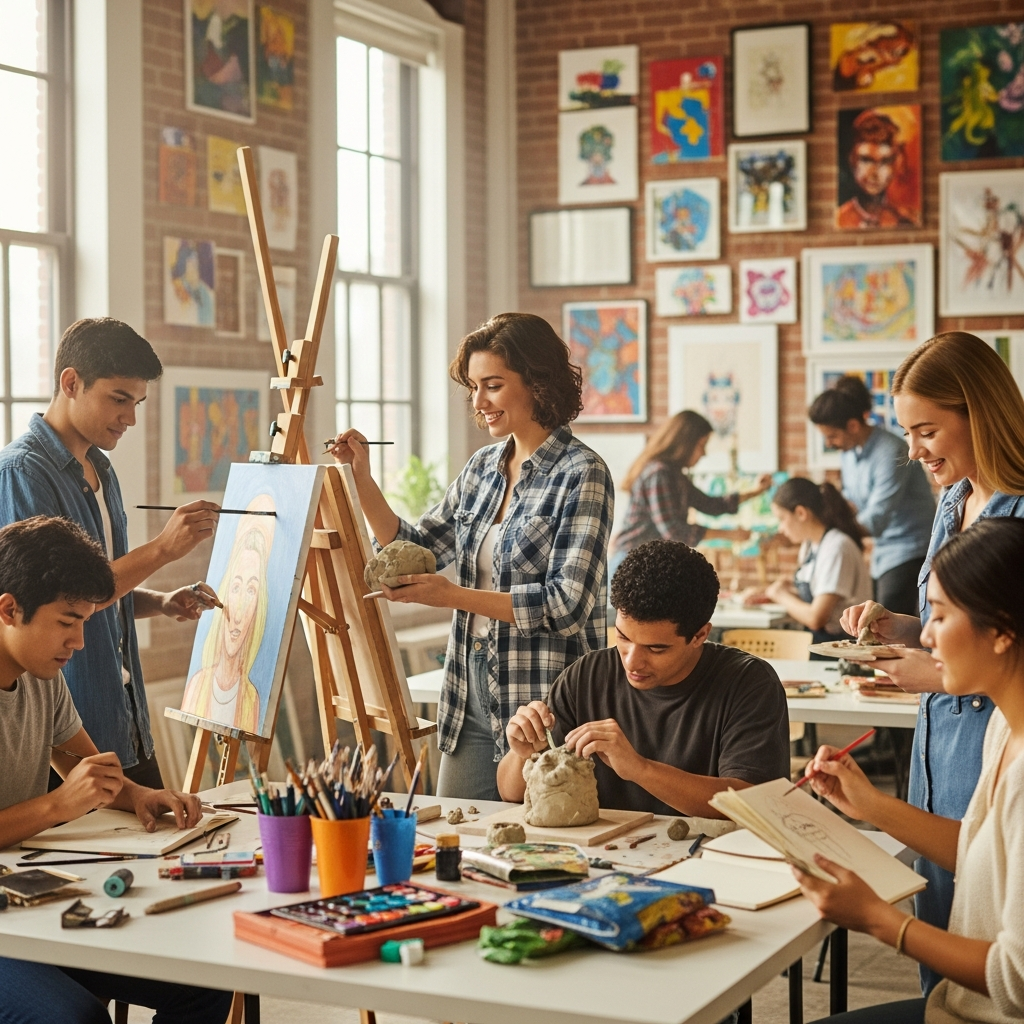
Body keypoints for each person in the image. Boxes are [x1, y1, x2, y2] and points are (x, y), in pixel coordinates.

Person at [328, 313, 613, 801]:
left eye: (493, 386)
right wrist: (362, 480)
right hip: (467, 684)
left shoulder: (582, 472)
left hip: (543, 694)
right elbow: (420, 547)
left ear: (538, 383)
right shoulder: (482, 467)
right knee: (456, 839)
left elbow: (569, 605)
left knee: (539, 845)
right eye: (474, 388)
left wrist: (455, 596)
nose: (479, 403)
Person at [843, 331, 1024, 994]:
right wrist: (901, 627)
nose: (912, 451)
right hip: (935, 749)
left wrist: (938, 672)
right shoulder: (954, 500)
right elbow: (956, 619)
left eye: (926, 431)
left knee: (994, 953)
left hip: (994, 749)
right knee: (941, 944)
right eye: (905, 431)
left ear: (979, 413)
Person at [0, 516, 233, 1024]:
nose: (79, 642)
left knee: (208, 980)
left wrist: (137, 794)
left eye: (85, 621)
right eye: (66, 622)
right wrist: (57, 806)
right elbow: (65, 794)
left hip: (27, 895)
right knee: (73, 1018)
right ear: (9, 609)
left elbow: (82, 764)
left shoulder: (41, 674)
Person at [794, 518, 1024, 1024]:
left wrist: (879, 920)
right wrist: (872, 806)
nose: (926, 639)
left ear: (1003, 629)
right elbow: (981, 853)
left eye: (938, 618)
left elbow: (1015, 983)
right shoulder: (1005, 728)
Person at [0, 318, 221, 788]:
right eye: (119, 399)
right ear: (71, 382)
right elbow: (53, 599)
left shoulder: (102, 469)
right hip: (66, 733)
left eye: (137, 403)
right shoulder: (22, 471)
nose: (131, 418)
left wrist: (159, 602)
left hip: (125, 720)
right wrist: (162, 549)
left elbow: (99, 591)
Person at [496, 540, 789, 816]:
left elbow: (753, 803)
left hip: (709, 859)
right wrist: (522, 753)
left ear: (700, 635)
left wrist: (640, 769)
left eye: (656, 648)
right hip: (605, 856)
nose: (632, 661)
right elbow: (509, 793)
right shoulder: (586, 677)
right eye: (623, 637)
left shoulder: (749, 683)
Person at [808, 376, 935, 615]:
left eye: (832, 436)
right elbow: (850, 505)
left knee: (884, 628)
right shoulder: (848, 453)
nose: (829, 443)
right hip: (881, 555)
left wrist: (828, 532)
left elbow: (877, 517)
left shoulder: (892, 452)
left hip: (910, 552)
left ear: (853, 426)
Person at [610, 410, 772, 579]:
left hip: (646, 563)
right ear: (685, 443)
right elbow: (674, 531)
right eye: (702, 445)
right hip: (632, 565)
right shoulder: (659, 474)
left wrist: (756, 491)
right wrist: (729, 535)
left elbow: (712, 505)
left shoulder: (675, 475)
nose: (704, 453)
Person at [181, 495, 274, 733]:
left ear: (260, 605)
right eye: (236, 587)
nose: (240, 609)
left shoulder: (252, 699)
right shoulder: (198, 684)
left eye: (251, 590)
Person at [744, 477, 871, 648]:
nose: (781, 528)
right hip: (822, 644)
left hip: (845, 648)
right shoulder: (810, 545)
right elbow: (811, 593)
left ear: (801, 513)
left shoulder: (836, 547)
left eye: (782, 519)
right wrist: (766, 593)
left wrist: (780, 594)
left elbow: (816, 618)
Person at [836, 109, 916, 229]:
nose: (874, 173)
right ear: (852, 160)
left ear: (896, 164)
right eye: (866, 160)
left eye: (885, 161)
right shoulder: (840, 218)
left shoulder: (905, 219)